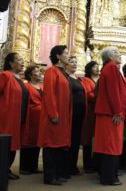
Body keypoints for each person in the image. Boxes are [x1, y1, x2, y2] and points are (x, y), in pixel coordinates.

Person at [38, 45, 72, 186]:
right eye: (65, 53)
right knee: (51, 146)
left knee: (59, 146)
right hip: (55, 115)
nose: (68, 56)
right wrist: (53, 114)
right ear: (57, 56)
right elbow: (49, 94)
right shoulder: (52, 71)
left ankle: (57, 174)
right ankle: (50, 176)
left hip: (63, 115)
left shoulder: (63, 72)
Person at [93, 46, 126, 185]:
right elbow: (114, 92)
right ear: (110, 56)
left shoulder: (108, 67)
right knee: (111, 146)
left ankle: (108, 175)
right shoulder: (112, 67)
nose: (120, 55)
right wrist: (117, 111)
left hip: (107, 112)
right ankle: (109, 178)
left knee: (107, 145)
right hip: (111, 113)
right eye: (117, 53)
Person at [0, 53, 28, 180]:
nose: (22, 62)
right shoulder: (5, 75)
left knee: (13, 145)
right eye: (19, 60)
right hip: (6, 116)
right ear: (11, 63)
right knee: (6, 144)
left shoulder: (20, 79)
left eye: (23, 60)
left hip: (18, 116)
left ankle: (6, 169)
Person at [20, 65, 43, 175]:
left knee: (37, 141)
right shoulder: (27, 86)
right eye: (37, 71)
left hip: (40, 118)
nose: (39, 73)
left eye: (39, 71)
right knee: (28, 140)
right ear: (30, 75)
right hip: (31, 117)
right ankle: (25, 167)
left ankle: (33, 166)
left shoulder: (41, 86)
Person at [65, 56, 86, 176]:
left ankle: (72, 166)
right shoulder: (65, 77)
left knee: (76, 141)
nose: (74, 63)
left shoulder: (77, 79)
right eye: (71, 62)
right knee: (69, 140)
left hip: (80, 114)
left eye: (76, 62)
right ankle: (67, 166)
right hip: (70, 113)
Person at [81, 61, 99, 173]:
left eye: (98, 67)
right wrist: (100, 96)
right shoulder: (86, 80)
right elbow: (88, 95)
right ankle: (87, 164)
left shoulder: (101, 79)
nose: (97, 69)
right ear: (89, 69)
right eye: (94, 67)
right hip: (90, 112)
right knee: (88, 138)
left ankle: (96, 163)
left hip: (99, 112)